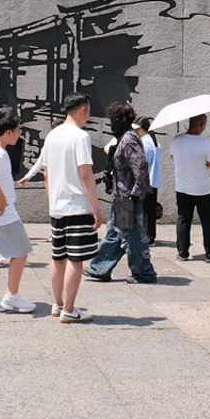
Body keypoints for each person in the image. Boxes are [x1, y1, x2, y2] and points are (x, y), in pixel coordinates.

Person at [42, 92, 102, 323]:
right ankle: (69, 309)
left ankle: (57, 304)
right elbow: (86, 174)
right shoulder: (80, 136)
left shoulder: (52, 135)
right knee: (76, 260)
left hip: (57, 207)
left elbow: (46, 172)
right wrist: (95, 208)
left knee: (58, 258)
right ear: (82, 110)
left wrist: (52, 200)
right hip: (77, 206)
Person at [84, 103, 158, 284]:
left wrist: (134, 195)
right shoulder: (124, 137)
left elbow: (140, 166)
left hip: (127, 197)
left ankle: (144, 272)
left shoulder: (129, 139)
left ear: (124, 119)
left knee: (132, 235)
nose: (111, 124)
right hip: (122, 196)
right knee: (115, 233)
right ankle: (99, 268)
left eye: (114, 119)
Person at [0, 110, 36, 314]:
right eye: (19, 130)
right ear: (9, 132)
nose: (20, 134)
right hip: (1, 213)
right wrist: (2, 200)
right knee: (21, 251)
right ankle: (11, 296)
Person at [169, 114, 210, 262]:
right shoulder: (205, 143)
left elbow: (173, 157)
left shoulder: (176, 140)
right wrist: (204, 162)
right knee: (207, 221)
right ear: (202, 125)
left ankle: (182, 253)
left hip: (182, 187)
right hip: (202, 189)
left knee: (183, 219)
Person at [135, 116, 162, 244]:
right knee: (150, 210)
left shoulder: (144, 143)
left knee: (144, 211)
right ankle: (150, 236)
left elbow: (141, 163)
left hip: (145, 181)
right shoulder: (154, 142)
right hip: (153, 180)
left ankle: (146, 236)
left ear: (140, 128)